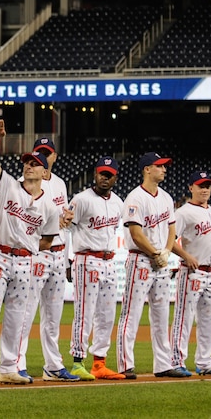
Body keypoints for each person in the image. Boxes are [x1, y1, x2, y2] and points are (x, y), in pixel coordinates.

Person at [0, 120, 62, 386]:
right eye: (27, 162)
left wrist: (31, 249)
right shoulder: (9, 185)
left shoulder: (50, 206)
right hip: (1, 255)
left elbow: (47, 239)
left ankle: (9, 367)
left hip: (25, 261)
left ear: (45, 173)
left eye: (35, 163)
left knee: (16, 316)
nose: (29, 165)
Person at [116, 152, 189, 379]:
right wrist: (155, 252)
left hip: (160, 262)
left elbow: (171, 229)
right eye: (159, 166)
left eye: (164, 166)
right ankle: (125, 364)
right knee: (131, 313)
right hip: (140, 259)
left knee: (161, 315)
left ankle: (163, 364)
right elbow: (136, 234)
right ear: (147, 169)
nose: (164, 170)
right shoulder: (135, 197)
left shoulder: (166, 197)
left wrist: (166, 251)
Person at [19, 137, 77, 382]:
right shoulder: (23, 184)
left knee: (53, 316)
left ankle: (53, 366)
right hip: (38, 253)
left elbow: (63, 219)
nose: (43, 156)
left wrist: (65, 220)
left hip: (59, 253)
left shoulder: (60, 184)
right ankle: (16, 363)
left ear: (53, 157)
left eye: (47, 153)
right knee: (25, 312)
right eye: (39, 152)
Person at [68, 156, 126, 381]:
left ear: (115, 177)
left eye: (109, 175)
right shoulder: (81, 200)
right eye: (102, 173)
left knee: (107, 314)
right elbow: (67, 229)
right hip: (86, 258)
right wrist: (67, 262)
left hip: (109, 261)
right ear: (95, 174)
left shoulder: (118, 203)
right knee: (84, 312)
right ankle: (77, 362)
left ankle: (99, 363)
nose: (105, 178)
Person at [169, 170, 211, 377]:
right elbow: (170, 241)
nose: (205, 189)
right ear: (191, 188)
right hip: (192, 272)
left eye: (208, 186)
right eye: (201, 185)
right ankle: (176, 361)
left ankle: (205, 362)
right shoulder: (183, 212)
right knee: (183, 318)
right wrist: (185, 255)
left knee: (209, 320)